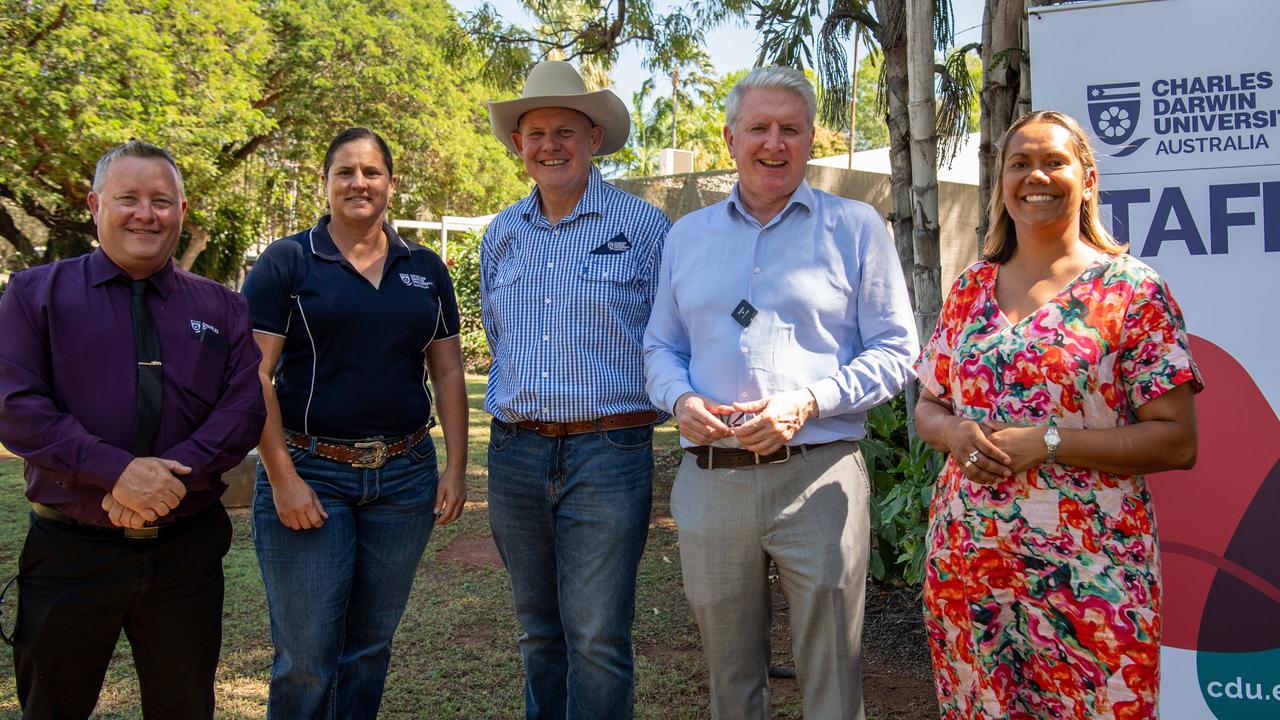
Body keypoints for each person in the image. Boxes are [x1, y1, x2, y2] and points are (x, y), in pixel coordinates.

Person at [644, 66, 918, 720]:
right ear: (730, 136)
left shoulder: (854, 228)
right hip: (712, 481)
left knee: (831, 677)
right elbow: (660, 347)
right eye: (759, 128)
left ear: (810, 138)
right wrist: (681, 400)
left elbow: (898, 351)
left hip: (819, 478)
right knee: (730, 682)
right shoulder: (688, 237)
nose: (774, 142)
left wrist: (810, 401)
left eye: (790, 129)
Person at [913, 110, 1202, 719]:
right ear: (1001, 182)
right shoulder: (970, 289)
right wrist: (958, 432)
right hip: (970, 566)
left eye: (1053, 161)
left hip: (1093, 575)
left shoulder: (1132, 290)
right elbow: (928, 408)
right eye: (1019, 163)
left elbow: (1177, 442)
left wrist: (1047, 442)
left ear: (1088, 180)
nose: (1034, 175)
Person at [0, 140, 266, 718]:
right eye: (129, 199)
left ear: (182, 212)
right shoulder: (33, 295)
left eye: (161, 201)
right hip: (70, 553)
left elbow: (243, 409)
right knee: (52, 706)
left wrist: (163, 484)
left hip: (185, 557)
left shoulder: (222, 307)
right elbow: (16, 406)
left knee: (184, 706)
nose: (146, 213)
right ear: (96, 206)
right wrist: (115, 472)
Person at [240, 127, 468, 719]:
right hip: (312, 472)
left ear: (391, 185)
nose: (358, 183)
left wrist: (456, 469)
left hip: (404, 477)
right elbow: (253, 376)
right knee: (308, 657)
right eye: (345, 171)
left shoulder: (425, 269)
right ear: (326, 183)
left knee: (368, 648)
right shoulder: (288, 262)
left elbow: (446, 374)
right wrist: (284, 480)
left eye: (371, 172)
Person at [481, 61, 671, 719]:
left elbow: (670, 336)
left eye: (566, 130)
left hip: (609, 455)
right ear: (518, 145)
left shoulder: (646, 229)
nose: (550, 145)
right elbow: (498, 334)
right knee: (539, 633)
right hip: (514, 457)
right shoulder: (501, 235)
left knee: (596, 637)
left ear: (593, 137)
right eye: (536, 133)